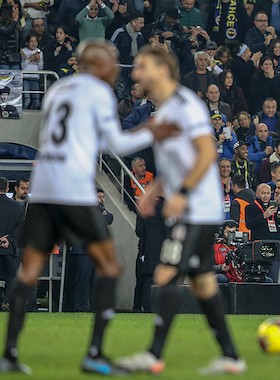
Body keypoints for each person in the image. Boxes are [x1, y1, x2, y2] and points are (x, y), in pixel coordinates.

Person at [0, 40, 176, 375]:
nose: (115, 69)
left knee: (28, 271)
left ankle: (9, 354)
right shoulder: (98, 92)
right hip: (73, 189)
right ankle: (94, 352)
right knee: (109, 268)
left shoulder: (58, 89)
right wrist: (153, 129)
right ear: (96, 64)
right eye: (112, 61)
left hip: (43, 186)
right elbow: (116, 143)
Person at [115, 46, 243, 375]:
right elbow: (174, 162)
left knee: (165, 273)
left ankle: (153, 354)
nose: (135, 73)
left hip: (196, 208)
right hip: (190, 206)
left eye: (141, 66)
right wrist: (153, 191)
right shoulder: (165, 109)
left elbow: (205, 154)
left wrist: (183, 193)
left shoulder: (186, 105)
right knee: (202, 283)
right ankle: (231, 356)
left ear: (160, 69)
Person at [64, 189, 114, 312]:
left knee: (94, 279)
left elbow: (110, 218)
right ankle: (79, 307)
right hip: (82, 250)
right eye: (98, 196)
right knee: (83, 279)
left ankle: (92, 306)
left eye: (103, 196)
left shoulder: (100, 208)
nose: (101, 199)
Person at [0, 177, 24, 310]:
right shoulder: (17, 206)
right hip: (9, 248)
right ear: (8, 188)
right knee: (11, 276)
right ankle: (6, 301)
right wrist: (8, 239)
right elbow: (20, 227)